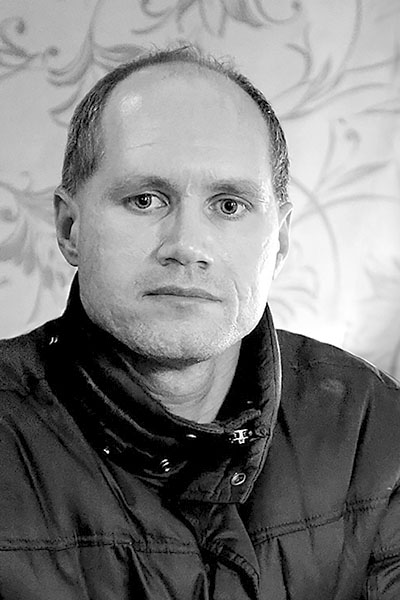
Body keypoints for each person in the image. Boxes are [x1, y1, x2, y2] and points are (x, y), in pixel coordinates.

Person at [0, 44, 399, 600]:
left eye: (229, 205)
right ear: (70, 228)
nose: (187, 246)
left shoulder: (372, 424)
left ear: (280, 241)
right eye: (145, 200)